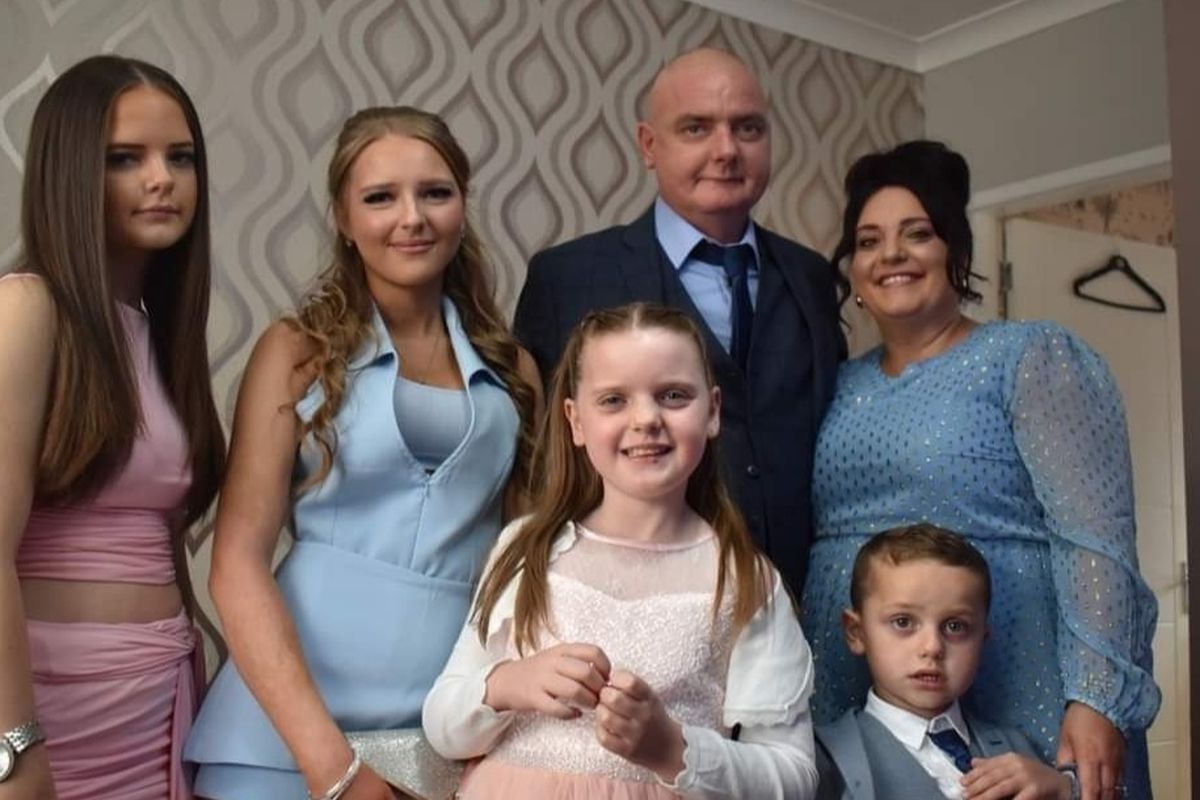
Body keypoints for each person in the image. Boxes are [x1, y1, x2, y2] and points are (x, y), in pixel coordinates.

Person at [184, 106, 540, 799]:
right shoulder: (295, 352)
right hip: (283, 739)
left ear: (462, 205)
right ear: (344, 219)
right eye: (380, 197)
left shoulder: (515, 371)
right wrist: (331, 765)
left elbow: (522, 571)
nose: (413, 218)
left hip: (438, 739)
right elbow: (235, 566)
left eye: (435, 193)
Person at [800, 140, 1159, 799]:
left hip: (1017, 663)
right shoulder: (839, 382)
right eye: (869, 241)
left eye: (918, 234)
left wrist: (1095, 696)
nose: (891, 255)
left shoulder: (1029, 357)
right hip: (854, 671)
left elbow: (1096, 544)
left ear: (956, 250)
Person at [424, 302, 819, 799]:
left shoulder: (743, 579)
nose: (646, 419)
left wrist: (673, 749)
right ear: (576, 421)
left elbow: (795, 776)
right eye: (613, 400)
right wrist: (506, 684)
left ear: (713, 411)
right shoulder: (525, 550)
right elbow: (442, 726)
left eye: (673, 395)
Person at [513, 48, 845, 598]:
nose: (726, 150)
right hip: (628, 599)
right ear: (649, 145)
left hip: (800, 598)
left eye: (748, 128)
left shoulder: (810, 275)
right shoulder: (566, 277)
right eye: (696, 128)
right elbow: (535, 460)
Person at [0, 55, 226, 799]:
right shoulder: (26, 308)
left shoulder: (158, 331)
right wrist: (13, 747)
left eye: (180, 157)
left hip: (155, 703)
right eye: (125, 158)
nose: (162, 179)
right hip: (53, 711)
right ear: (71, 173)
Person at [816, 524, 1076, 800]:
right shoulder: (828, 755)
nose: (932, 647)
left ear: (982, 639)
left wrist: (1065, 790)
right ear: (856, 632)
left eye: (955, 626)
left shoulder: (1015, 749)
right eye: (903, 622)